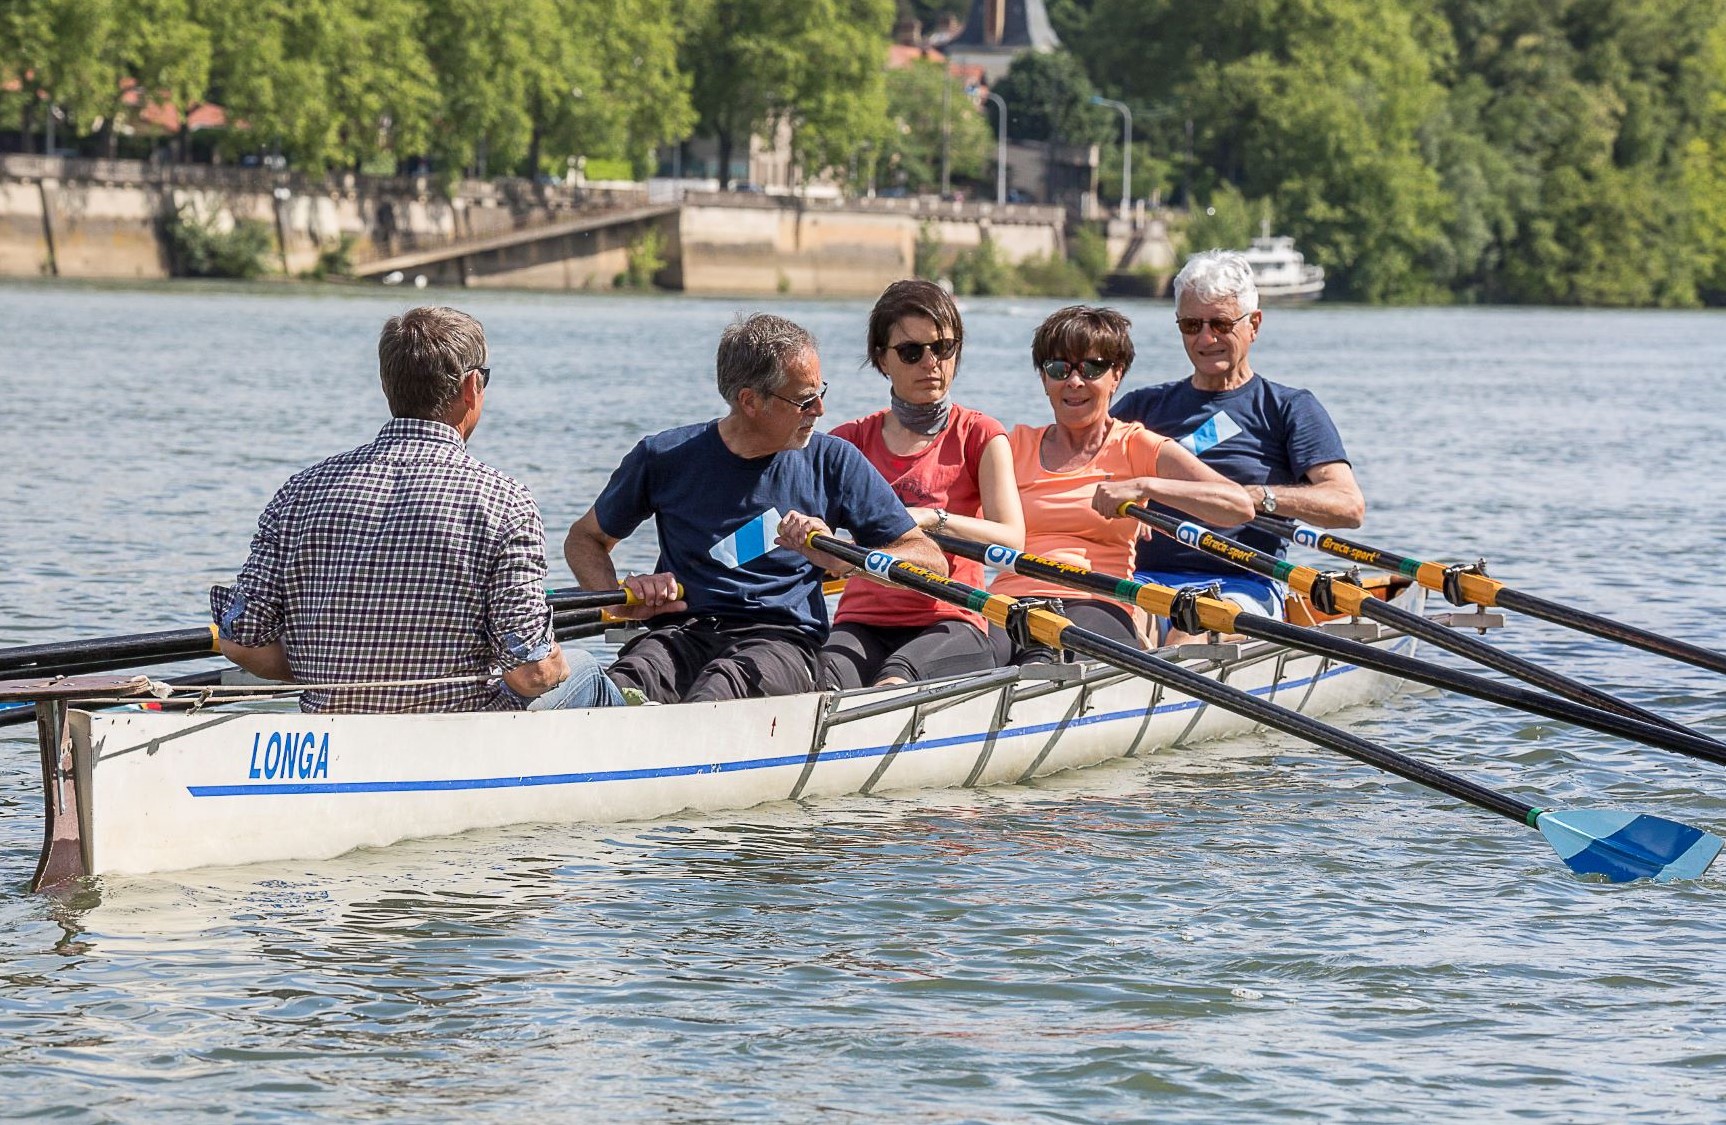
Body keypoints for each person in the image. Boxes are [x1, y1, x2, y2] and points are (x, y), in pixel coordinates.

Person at [214, 306, 619, 713]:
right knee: (585, 670)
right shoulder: (504, 501)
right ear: (471, 386)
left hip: (336, 730)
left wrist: (332, 672)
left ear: (387, 384)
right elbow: (530, 675)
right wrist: (556, 663)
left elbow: (242, 639)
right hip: (458, 737)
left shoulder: (300, 491)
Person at [563, 313, 948, 704]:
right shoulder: (663, 457)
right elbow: (585, 538)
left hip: (781, 640)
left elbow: (929, 560)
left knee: (722, 686)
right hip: (679, 633)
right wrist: (616, 601)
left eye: (820, 393)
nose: (819, 410)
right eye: (803, 400)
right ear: (750, 401)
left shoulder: (833, 462)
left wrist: (840, 558)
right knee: (621, 685)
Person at [1108, 249, 1365, 642]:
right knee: (1116, 631)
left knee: (1188, 635)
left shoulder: (1288, 409)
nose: (1205, 338)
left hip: (1242, 586)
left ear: (1254, 324)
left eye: (1221, 324)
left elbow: (1347, 506)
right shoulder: (1142, 407)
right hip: (1142, 581)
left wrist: (1251, 498)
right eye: (1191, 324)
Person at [993, 305, 1253, 662]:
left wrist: (1145, 488)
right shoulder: (1012, 446)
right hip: (1009, 601)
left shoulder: (1135, 445)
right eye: (1059, 368)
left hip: (1096, 601)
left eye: (1091, 368)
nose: (1074, 381)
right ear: (1044, 379)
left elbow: (1237, 505)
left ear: (1116, 375)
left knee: (1053, 654)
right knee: (974, 652)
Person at [821, 280, 1025, 689]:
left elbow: (1012, 542)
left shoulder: (980, 435)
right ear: (882, 360)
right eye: (911, 352)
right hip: (861, 622)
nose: (930, 363)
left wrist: (933, 519)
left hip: (950, 620)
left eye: (943, 348)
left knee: (895, 681)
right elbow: (813, 535)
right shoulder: (847, 443)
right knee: (821, 680)